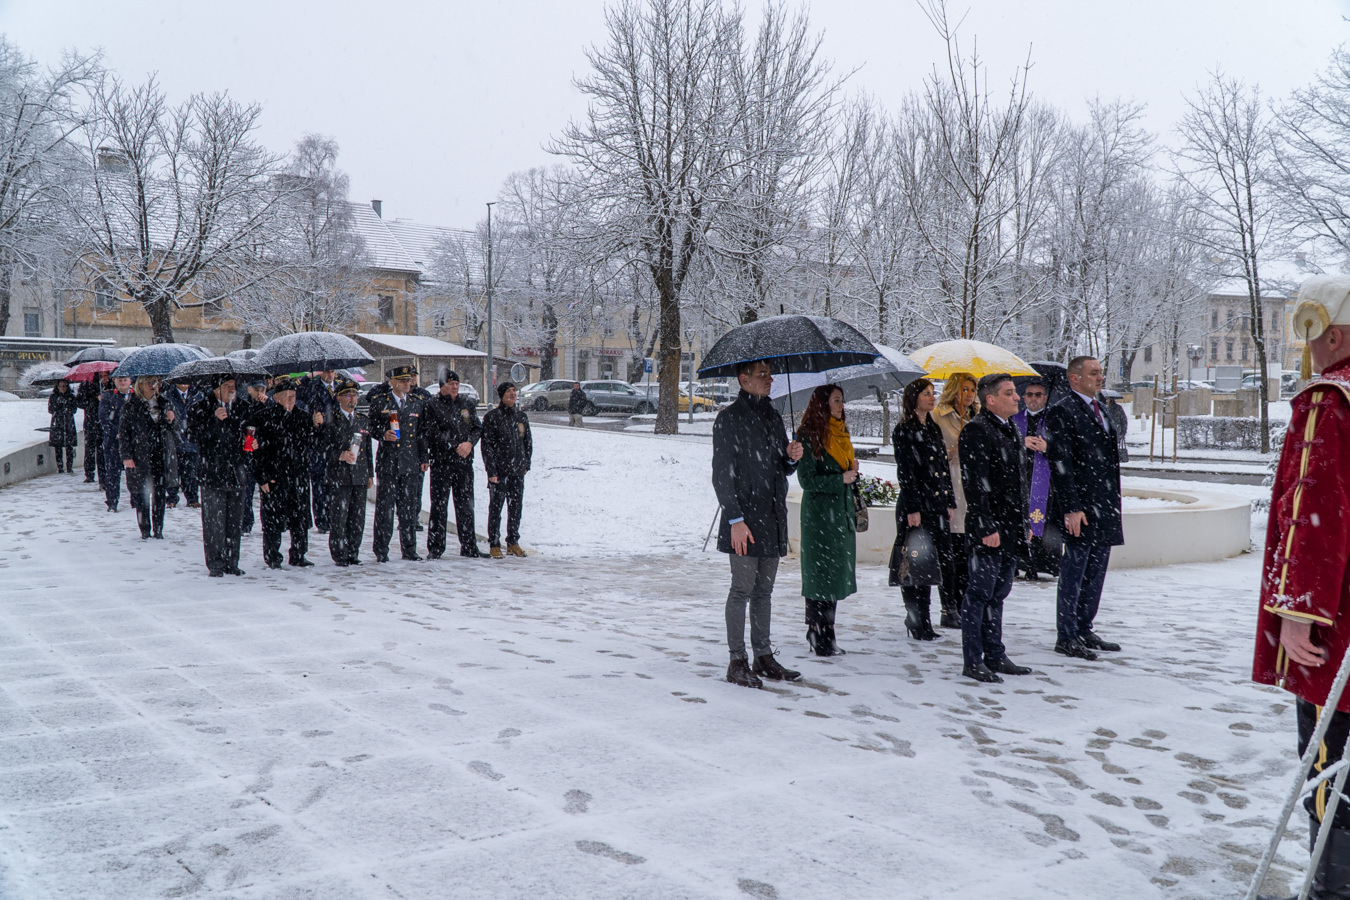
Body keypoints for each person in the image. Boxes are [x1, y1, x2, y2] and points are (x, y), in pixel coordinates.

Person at [1252, 275, 1350, 899]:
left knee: (1329, 765)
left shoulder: (1329, 401)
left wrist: (1297, 612)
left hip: (1335, 625)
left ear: (1329, 333)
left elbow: (1312, 517)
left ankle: (1329, 889)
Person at [711, 360, 804, 688]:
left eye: (770, 374)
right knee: (742, 590)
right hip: (745, 519)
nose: (770, 379)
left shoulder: (773, 415)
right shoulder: (729, 419)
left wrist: (791, 455)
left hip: (772, 516)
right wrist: (735, 519)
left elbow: (781, 466)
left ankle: (763, 656)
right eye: (762, 374)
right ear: (744, 379)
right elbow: (722, 474)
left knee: (764, 591)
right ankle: (737, 661)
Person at [1045, 355, 1124, 661]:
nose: (1100, 377)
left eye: (1101, 372)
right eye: (1094, 373)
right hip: (1081, 509)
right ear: (1074, 378)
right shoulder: (1062, 411)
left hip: (1104, 505)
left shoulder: (1100, 407)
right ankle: (1066, 636)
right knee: (1074, 573)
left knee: (1095, 572)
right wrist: (1071, 508)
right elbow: (1061, 462)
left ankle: (1083, 627)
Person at [958, 373, 1033, 684]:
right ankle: (973, 660)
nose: (1017, 397)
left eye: (1015, 392)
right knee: (979, 595)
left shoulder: (1011, 428)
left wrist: (1025, 523)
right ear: (990, 400)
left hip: (1011, 527)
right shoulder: (977, 430)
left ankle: (995, 654)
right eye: (1010, 393)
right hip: (989, 529)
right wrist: (987, 525)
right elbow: (975, 484)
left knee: (999, 594)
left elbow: (1019, 482)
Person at [795, 384, 859, 656]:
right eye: (836, 400)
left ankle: (826, 631)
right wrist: (839, 478)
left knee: (833, 575)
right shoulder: (808, 435)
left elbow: (842, 470)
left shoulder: (841, 432)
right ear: (823, 404)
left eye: (842, 400)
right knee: (820, 575)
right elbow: (806, 480)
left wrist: (852, 471)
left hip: (840, 514)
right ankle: (817, 631)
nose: (841, 406)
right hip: (820, 516)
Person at [890, 378, 954, 641]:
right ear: (913, 398)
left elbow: (942, 467)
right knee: (915, 562)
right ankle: (915, 618)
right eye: (926, 393)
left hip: (936, 505)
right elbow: (906, 473)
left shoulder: (933, 427)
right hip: (916, 505)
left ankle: (925, 619)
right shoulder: (904, 430)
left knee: (931, 563)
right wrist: (913, 508)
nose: (932, 397)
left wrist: (949, 500)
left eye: (932, 392)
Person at [252, 378, 322, 569]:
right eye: (287, 396)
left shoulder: (302, 416)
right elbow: (255, 452)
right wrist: (262, 477)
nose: (291, 400)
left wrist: (317, 427)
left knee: (300, 519)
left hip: (298, 476)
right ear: (276, 398)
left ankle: (299, 554)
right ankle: (273, 556)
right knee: (273, 521)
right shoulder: (263, 417)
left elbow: (314, 444)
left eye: (293, 396)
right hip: (274, 476)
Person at [368, 365, 430, 562]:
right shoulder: (381, 402)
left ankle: (409, 549)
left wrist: (424, 457)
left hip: (409, 462)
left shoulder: (416, 402)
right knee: (385, 509)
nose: (407, 384)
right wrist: (382, 433)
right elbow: (370, 425)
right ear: (392, 382)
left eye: (408, 380)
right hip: (389, 462)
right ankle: (381, 550)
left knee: (409, 509)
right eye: (402, 381)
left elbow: (421, 433)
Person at [190, 376, 249, 576]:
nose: (232, 389)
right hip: (212, 471)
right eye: (226, 386)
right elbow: (193, 436)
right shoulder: (201, 407)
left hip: (236, 470)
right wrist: (213, 420)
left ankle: (232, 561)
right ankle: (215, 562)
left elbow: (249, 432)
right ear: (216, 389)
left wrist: (252, 443)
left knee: (234, 521)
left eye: (233, 385)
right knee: (214, 523)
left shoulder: (242, 407)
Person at [933, 373, 978, 628]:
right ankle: (948, 606)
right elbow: (931, 455)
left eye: (972, 389)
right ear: (953, 391)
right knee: (951, 552)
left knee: (968, 553)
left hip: (972, 488)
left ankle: (963, 604)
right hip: (951, 486)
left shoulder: (977, 416)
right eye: (964, 389)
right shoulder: (939, 416)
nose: (969, 394)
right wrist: (952, 451)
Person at [426, 371, 484, 559]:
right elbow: (431, 432)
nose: (455, 387)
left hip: (463, 463)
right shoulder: (432, 405)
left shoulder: (466, 403)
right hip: (442, 463)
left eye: (457, 383)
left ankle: (469, 546)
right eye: (451, 383)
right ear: (442, 385)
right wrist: (452, 445)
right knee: (439, 507)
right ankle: (436, 548)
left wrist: (469, 443)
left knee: (466, 506)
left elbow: (477, 427)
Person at [1011, 378, 1061, 581]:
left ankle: (1043, 565)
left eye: (1038, 395)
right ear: (1024, 397)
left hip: (1046, 484)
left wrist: (1048, 447)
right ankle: (1020, 563)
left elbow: (1065, 450)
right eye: (1029, 394)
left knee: (1045, 522)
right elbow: (1003, 445)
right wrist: (1020, 442)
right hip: (1020, 479)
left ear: (1045, 398)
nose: (1033, 398)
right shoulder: (1014, 419)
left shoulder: (1054, 420)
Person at [321, 377, 373, 567]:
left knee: (357, 517)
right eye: (348, 395)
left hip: (359, 475)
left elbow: (368, 450)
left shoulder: (362, 420)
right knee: (340, 517)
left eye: (355, 395)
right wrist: (338, 455)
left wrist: (370, 474)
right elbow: (322, 448)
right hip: (339, 476)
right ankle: (339, 553)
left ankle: (353, 551)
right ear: (339, 398)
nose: (353, 399)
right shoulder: (331, 419)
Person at [119, 376, 177, 540]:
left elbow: (174, 429)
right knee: (142, 494)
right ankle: (145, 529)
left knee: (159, 494)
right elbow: (124, 433)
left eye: (155, 382)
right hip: (140, 455)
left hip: (160, 454)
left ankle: (158, 528)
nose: (153, 386)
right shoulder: (131, 405)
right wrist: (126, 456)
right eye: (149, 383)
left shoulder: (164, 403)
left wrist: (171, 420)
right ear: (140, 385)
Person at [480, 382, 532, 559]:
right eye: (508, 391)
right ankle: (494, 543)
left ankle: (513, 542)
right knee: (496, 508)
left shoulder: (521, 417)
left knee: (516, 507)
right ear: (501, 396)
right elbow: (487, 446)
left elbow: (527, 442)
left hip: (517, 470)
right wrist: (491, 470)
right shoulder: (492, 417)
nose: (512, 394)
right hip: (499, 472)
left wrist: (526, 463)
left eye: (514, 391)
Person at [300, 368, 341, 532]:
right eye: (326, 371)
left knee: (334, 485)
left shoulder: (341, 387)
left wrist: (327, 417)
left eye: (332, 371)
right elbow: (299, 397)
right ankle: (322, 520)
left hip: (336, 442)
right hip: (318, 443)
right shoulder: (312, 387)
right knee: (319, 485)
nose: (330, 375)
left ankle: (334, 517)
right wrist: (313, 417)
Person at [233, 379, 271, 533]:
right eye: (257, 390)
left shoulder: (268, 406)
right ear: (250, 390)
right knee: (247, 491)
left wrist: (266, 405)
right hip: (247, 454)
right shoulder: (244, 406)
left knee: (266, 491)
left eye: (263, 390)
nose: (260, 393)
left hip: (263, 455)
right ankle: (246, 523)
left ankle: (267, 523)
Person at [165, 379, 201, 508]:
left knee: (191, 471)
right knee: (172, 471)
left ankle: (192, 497)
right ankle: (172, 497)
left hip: (191, 440)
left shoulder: (198, 395)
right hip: (175, 440)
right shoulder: (167, 396)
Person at [99, 375, 132, 512]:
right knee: (113, 473)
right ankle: (112, 502)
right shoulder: (108, 396)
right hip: (114, 441)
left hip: (132, 442)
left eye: (125, 380)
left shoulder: (135, 396)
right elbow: (104, 418)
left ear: (130, 381)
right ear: (115, 381)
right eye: (120, 380)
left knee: (134, 473)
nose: (123, 383)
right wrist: (116, 432)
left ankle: (136, 500)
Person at [77, 373, 108, 484]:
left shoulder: (110, 384)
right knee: (90, 448)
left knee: (102, 450)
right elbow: (80, 402)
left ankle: (103, 477)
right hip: (91, 421)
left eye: (105, 374)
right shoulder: (87, 384)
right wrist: (95, 400)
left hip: (105, 422)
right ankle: (89, 474)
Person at [47, 379, 78, 474]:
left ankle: (69, 466)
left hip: (68, 423)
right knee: (58, 447)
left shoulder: (71, 397)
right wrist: (59, 408)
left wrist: (67, 409)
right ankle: (60, 467)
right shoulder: (54, 397)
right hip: (57, 423)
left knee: (69, 446)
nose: (63, 388)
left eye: (64, 386)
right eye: (61, 386)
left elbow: (74, 409)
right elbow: (50, 409)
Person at [1100, 389, 1129, 463]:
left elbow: (1123, 421)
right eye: (1105, 399)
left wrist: (1123, 432)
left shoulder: (1117, 408)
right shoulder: (1101, 407)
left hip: (1115, 432)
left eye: (1107, 399)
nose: (1106, 400)